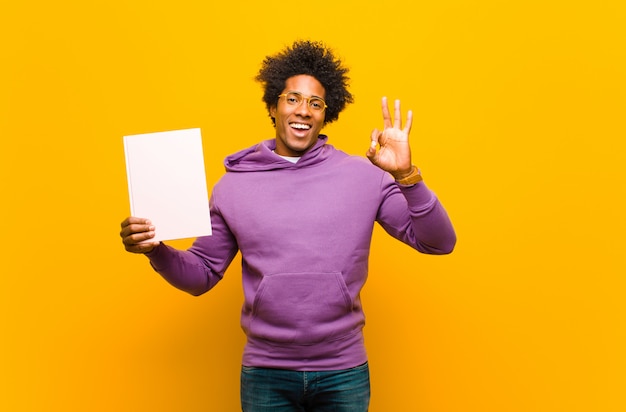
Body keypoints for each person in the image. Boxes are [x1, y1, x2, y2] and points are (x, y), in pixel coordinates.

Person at [120, 40, 456, 412]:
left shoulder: (365, 176)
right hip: (266, 371)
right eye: (292, 99)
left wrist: (406, 175)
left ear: (326, 115)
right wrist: (156, 250)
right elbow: (201, 275)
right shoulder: (233, 186)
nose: (304, 111)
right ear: (272, 107)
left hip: (343, 370)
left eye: (316, 103)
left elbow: (439, 242)